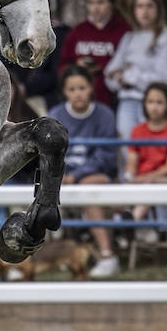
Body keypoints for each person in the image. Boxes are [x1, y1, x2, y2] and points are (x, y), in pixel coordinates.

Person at [48, 65, 120, 278]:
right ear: (64, 92)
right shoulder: (55, 114)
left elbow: (106, 156)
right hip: (61, 176)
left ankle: (107, 256)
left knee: (88, 189)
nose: (78, 93)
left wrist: (76, 176)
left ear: (91, 88)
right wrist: (62, 175)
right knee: (34, 191)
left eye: (82, 87)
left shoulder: (105, 114)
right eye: (72, 89)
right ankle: (25, 260)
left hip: (96, 176)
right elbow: (49, 152)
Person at [104, 0, 167, 138]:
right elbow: (110, 74)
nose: (144, 11)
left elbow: (163, 79)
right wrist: (123, 79)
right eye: (140, 6)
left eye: (149, 6)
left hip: (156, 104)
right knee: (128, 150)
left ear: (158, 9)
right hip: (127, 102)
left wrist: (127, 77)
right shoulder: (129, 37)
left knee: (153, 152)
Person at [122, 83, 167, 244]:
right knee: (125, 185)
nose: (154, 107)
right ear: (144, 104)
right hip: (141, 180)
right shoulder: (137, 130)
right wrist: (129, 176)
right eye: (150, 102)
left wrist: (143, 179)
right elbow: (131, 161)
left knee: (153, 183)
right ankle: (140, 228)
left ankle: (132, 221)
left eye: (159, 102)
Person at [56, 0, 131, 108]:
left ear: (111, 3)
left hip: (113, 99)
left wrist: (101, 67)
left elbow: (130, 65)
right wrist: (76, 67)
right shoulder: (78, 31)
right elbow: (62, 65)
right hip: (79, 101)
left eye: (101, 2)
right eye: (90, 2)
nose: (95, 8)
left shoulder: (124, 30)